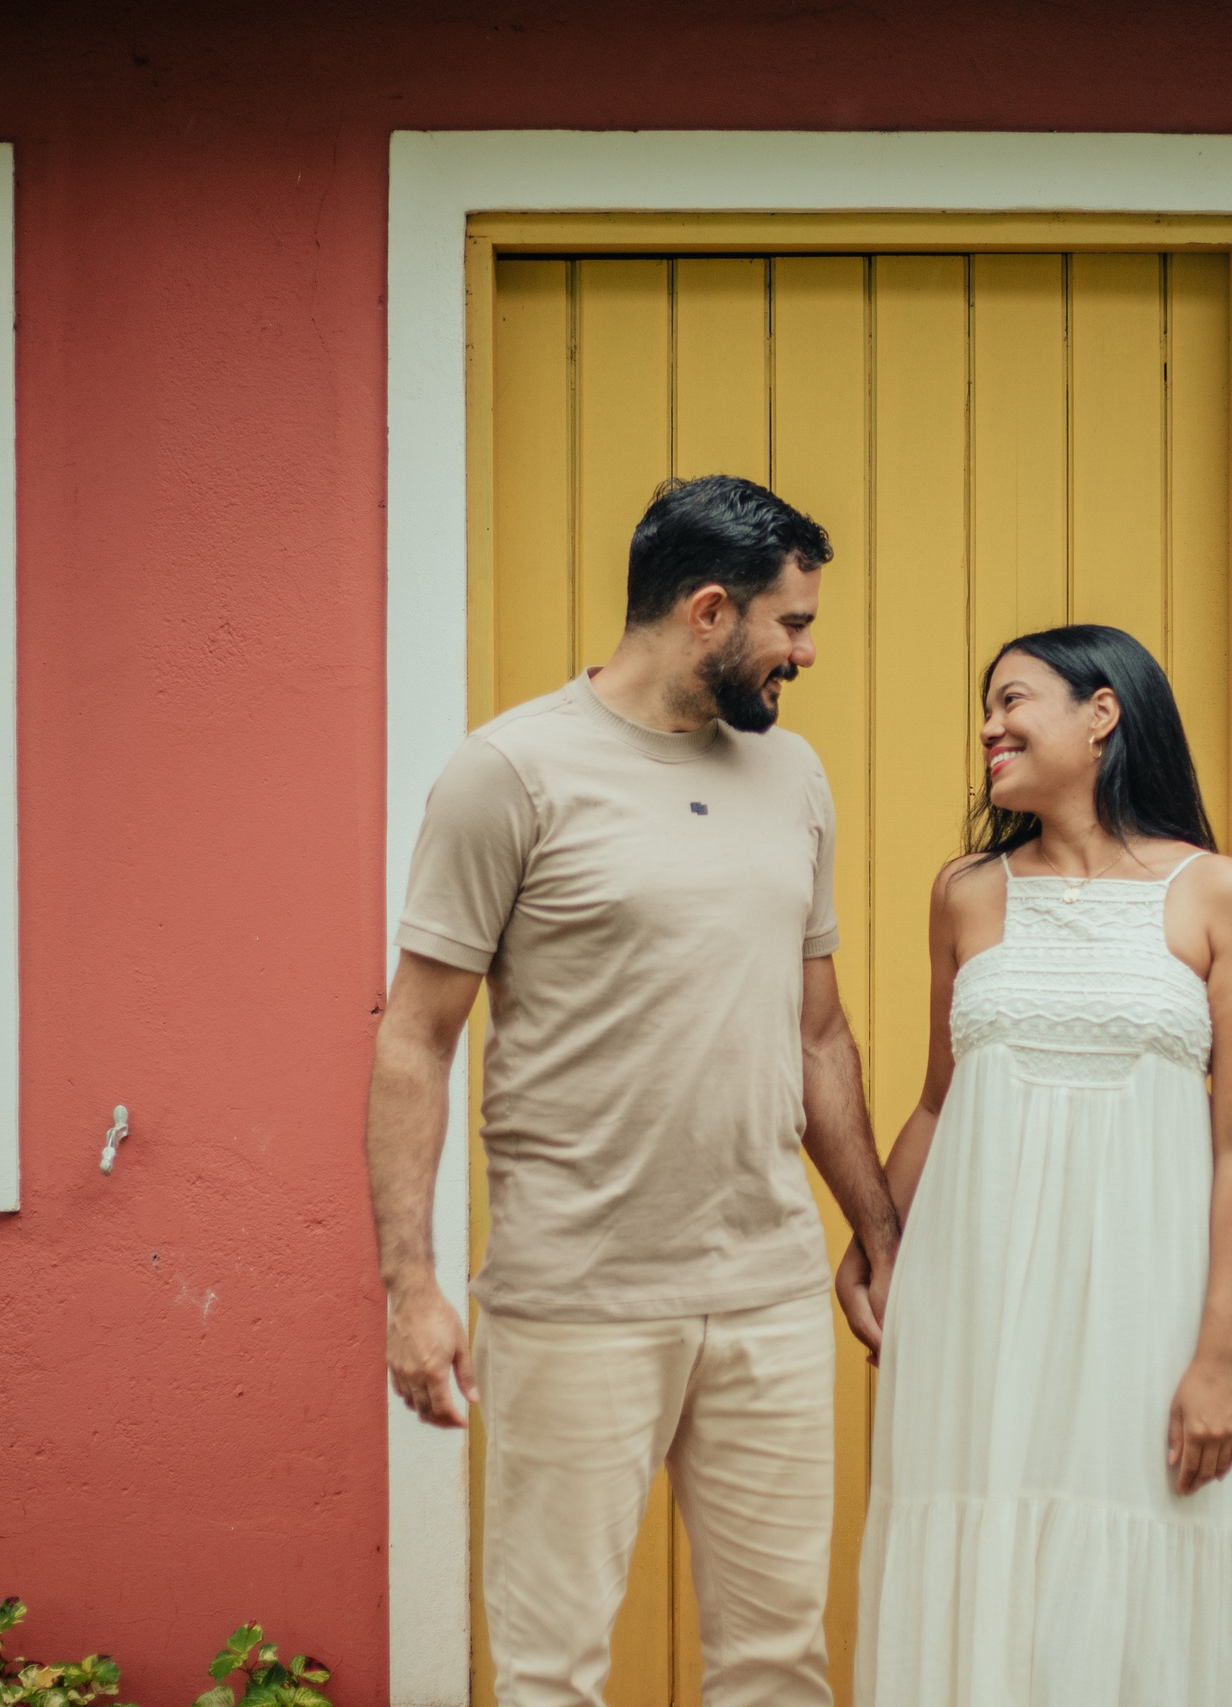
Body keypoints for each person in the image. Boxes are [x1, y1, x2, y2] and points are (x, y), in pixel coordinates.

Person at [364, 474, 901, 1707]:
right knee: (551, 1669)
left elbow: (819, 1034)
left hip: (767, 1291)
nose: (806, 652)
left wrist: (878, 1235)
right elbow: (415, 1042)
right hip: (578, 1296)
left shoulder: (793, 775)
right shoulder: (509, 772)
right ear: (708, 612)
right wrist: (409, 1288)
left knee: (779, 1663)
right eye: (792, 624)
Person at [843, 624, 1232, 1707]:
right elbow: (940, 1098)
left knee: (1128, 1557)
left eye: (1013, 700)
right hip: (974, 1308)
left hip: (1142, 1311)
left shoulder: (1221, 896)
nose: (988, 727)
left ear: (1101, 713)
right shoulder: (966, 891)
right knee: (972, 1551)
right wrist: (875, 1241)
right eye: (986, 707)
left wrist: (1218, 1357)